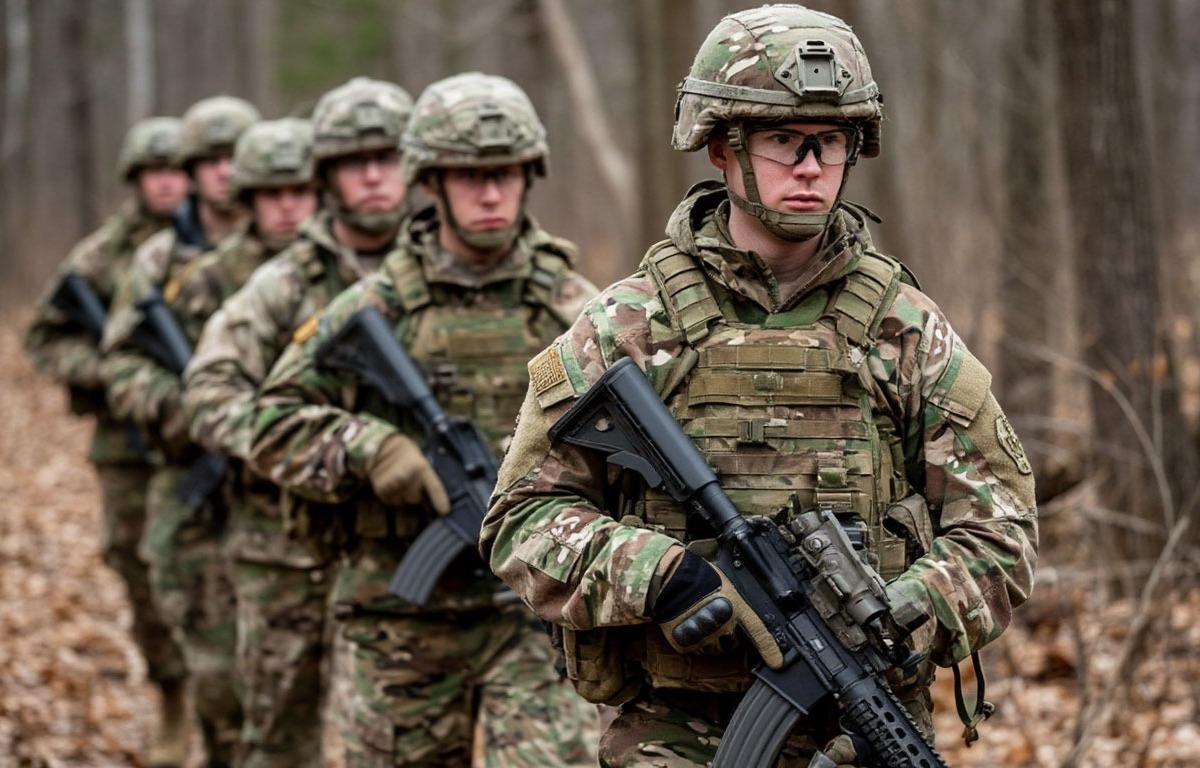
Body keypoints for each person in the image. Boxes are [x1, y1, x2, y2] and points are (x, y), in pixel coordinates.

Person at [480, 5, 1039, 767]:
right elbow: (520, 520)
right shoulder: (626, 326)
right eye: (783, 139)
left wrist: (905, 612)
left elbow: (1001, 532)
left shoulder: (906, 330)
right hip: (671, 732)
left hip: (860, 730)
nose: (810, 167)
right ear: (721, 146)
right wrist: (660, 575)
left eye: (830, 142)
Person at [249, 72, 601, 767]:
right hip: (398, 620)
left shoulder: (576, 307)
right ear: (432, 182)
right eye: (470, 176)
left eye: (504, 174)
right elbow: (270, 423)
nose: (491, 194)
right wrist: (368, 448)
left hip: (535, 616)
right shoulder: (374, 306)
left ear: (529, 176)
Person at [180, 77, 414, 766]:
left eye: (388, 157)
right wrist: (328, 448)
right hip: (283, 547)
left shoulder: (446, 273)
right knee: (280, 736)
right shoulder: (283, 283)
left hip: (411, 550)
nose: (373, 177)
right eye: (353, 161)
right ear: (326, 175)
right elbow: (209, 392)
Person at [24, 116, 191, 767]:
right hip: (128, 447)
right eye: (154, 172)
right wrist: (110, 370)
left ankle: (217, 698)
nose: (167, 183)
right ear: (134, 179)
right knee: (137, 567)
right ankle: (172, 694)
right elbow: (45, 337)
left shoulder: (210, 245)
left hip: (198, 440)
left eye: (176, 170)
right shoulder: (100, 256)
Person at [100, 94, 261, 767]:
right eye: (210, 160)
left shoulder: (287, 250)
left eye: (234, 158)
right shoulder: (158, 260)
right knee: (212, 659)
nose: (224, 172)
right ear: (191, 169)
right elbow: (119, 364)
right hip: (192, 478)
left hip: (278, 484)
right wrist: (181, 406)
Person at [172, 116, 319, 766]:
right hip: (242, 502)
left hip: (347, 522)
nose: (288, 206)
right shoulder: (211, 277)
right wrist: (172, 407)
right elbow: (150, 370)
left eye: (300, 190)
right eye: (272, 193)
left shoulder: (347, 272)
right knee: (248, 696)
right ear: (250, 199)